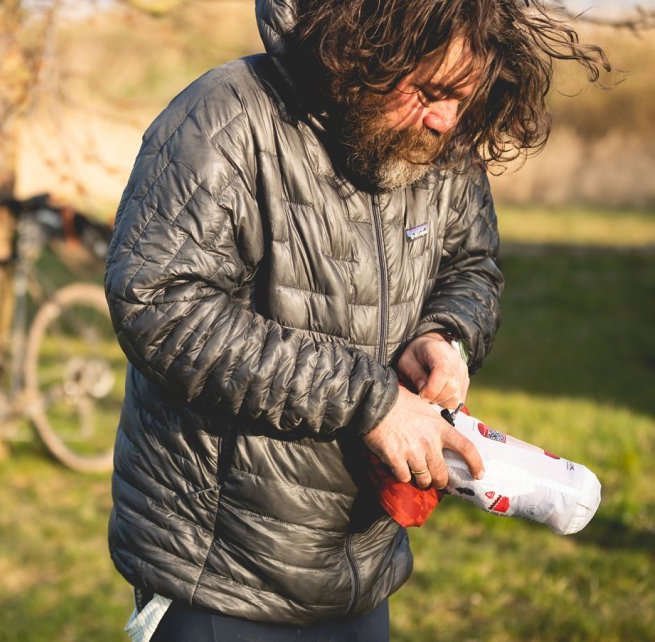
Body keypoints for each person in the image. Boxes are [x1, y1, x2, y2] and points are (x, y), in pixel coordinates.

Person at [105, 1, 607, 640]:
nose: (447, 119)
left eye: (465, 97)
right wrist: (369, 403)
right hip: (221, 576)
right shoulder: (226, 116)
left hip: (364, 570)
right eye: (429, 90)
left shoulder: (443, 137)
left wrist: (447, 333)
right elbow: (160, 303)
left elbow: (470, 263)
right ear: (361, 51)